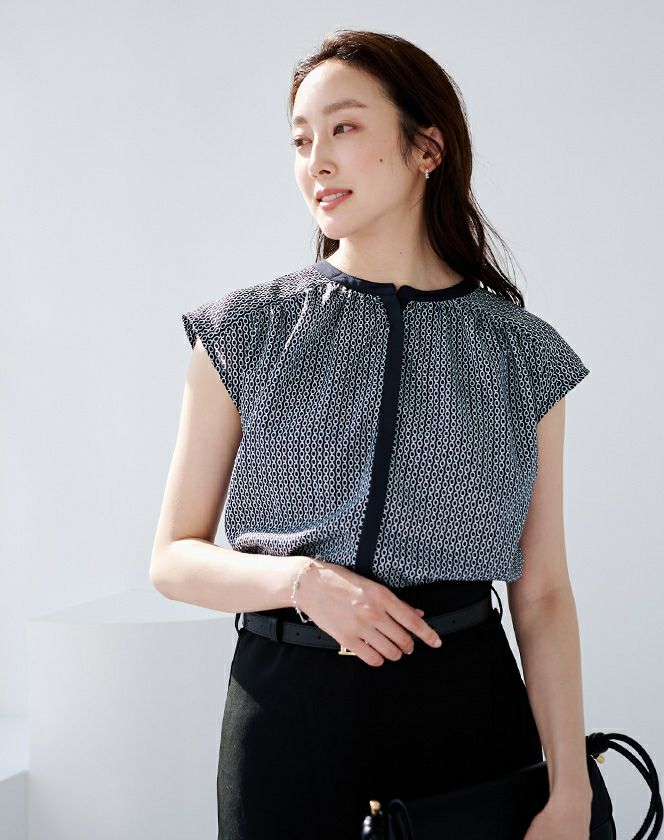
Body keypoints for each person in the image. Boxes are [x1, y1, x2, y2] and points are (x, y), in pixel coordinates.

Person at [150, 29, 594, 840]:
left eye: (344, 128)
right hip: (287, 725)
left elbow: (543, 592)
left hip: (467, 724)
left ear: (428, 148)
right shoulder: (245, 332)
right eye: (301, 140)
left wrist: (571, 790)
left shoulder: (522, 354)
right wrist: (304, 582)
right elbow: (173, 559)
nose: (316, 161)